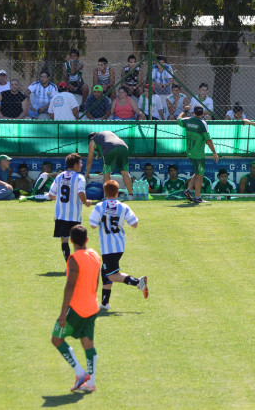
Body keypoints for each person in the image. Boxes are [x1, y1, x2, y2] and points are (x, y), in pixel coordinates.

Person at [50, 225, 100, 393]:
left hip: (78, 308)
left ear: (71, 240)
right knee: (88, 343)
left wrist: (63, 313)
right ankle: (91, 382)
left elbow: (70, 286)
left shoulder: (74, 259)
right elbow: (96, 281)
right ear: (86, 240)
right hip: (92, 306)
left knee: (56, 339)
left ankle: (80, 374)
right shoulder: (95, 255)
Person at [89, 180, 148, 312]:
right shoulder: (123, 206)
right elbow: (134, 224)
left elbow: (93, 225)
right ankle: (105, 303)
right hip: (120, 246)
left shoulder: (100, 206)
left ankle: (138, 282)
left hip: (107, 247)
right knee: (105, 272)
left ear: (105, 192)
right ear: (117, 192)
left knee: (111, 275)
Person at [49, 153, 92, 261]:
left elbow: (51, 194)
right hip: (74, 215)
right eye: (80, 163)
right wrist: (86, 202)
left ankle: (69, 264)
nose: (81, 165)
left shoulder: (59, 176)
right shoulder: (79, 178)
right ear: (75, 164)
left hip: (60, 214)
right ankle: (77, 264)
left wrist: (60, 198)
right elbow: (81, 193)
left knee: (64, 240)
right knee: (77, 241)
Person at [178, 106, 219, 203]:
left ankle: (188, 190)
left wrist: (184, 111)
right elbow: (208, 140)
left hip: (190, 152)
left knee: (197, 173)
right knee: (200, 175)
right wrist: (214, 153)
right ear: (202, 114)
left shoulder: (187, 121)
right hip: (199, 154)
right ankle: (197, 197)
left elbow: (178, 120)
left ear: (193, 112)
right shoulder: (202, 123)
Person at [85, 131, 135, 201]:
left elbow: (89, 160)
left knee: (107, 174)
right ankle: (131, 196)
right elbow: (116, 145)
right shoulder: (106, 134)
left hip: (109, 148)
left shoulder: (93, 140)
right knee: (125, 173)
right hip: (123, 146)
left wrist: (86, 174)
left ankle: (107, 196)